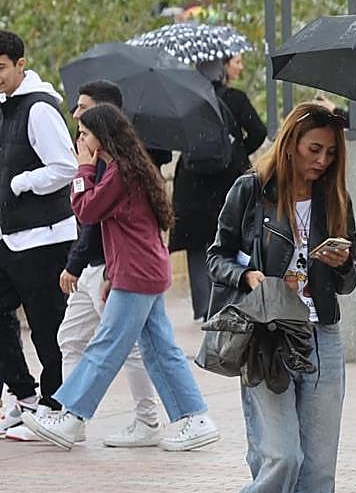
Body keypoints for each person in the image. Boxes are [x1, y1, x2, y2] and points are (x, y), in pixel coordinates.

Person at [210, 102, 356, 493]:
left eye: (329, 153)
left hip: (322, 339)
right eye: (313, 149)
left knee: (318, 471)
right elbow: (217, 256)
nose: (320, 160)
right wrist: (247, 277)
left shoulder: (334, 197)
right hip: (268, 337)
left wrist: (339, 263)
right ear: (291, 142)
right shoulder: (250, 190)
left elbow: (351, 277)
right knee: (281, 455)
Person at [18, 104, 219, 452]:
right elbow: (119, 230)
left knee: (106, 345)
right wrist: (112, 272)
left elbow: (86, 210)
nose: (79, 139)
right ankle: (194, 418)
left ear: (103, 136)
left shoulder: (121, 172)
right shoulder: (122, 170)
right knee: (159, 350)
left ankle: (72, 416)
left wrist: (82, 166)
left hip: (138, 273)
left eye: (84, 133)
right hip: (139, 270)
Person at [38, 80, 163, 448]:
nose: (77, 116)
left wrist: (82, 171)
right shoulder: (112, 162)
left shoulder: (115, 167)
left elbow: (89, 214)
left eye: (84, 111)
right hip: (101, 267)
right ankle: (72, 417)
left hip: (112, 270)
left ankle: (145, 420)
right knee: (75, 338)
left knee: (126, 347)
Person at [0, 31, 78, 439]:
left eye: (0, 68)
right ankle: (26, 395)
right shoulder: (5, 108)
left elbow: (65, 166)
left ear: (20, 64)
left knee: (49, 329)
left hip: (45, 239)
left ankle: (55, 406)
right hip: (10, 237)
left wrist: (20, 182)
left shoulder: (39, 109)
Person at [170, 55, 267, 321]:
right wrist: (236, 153)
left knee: (197, 245)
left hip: (191, 183)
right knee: (229, 241)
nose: (240, 65)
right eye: (235, 61)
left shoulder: (186, 102)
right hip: (228, 183)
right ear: (221, 67)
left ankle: (203, 308)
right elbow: (258, 131)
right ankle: (227, 301)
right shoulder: (235, 99)